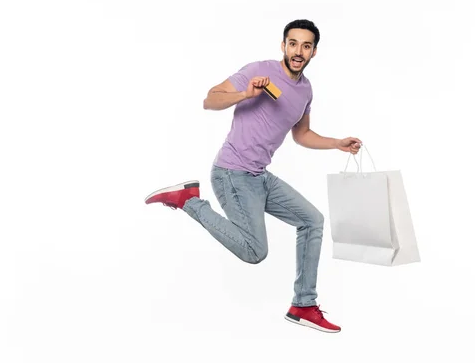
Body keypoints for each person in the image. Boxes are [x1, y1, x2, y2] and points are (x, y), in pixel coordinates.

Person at [145, 19, 361, 333]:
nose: (298, 51)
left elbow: (301, 135)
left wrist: (337, 144)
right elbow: (211, 98)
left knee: (312, 220)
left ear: (314, 52)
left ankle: (303, 304)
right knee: (254, 251)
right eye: (292, 43)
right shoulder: (259, 70)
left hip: (259, 177)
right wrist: (245, 94)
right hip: (231, 174)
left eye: (306, 45)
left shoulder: (306, 90)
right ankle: (189, 201)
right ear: (283, 45)